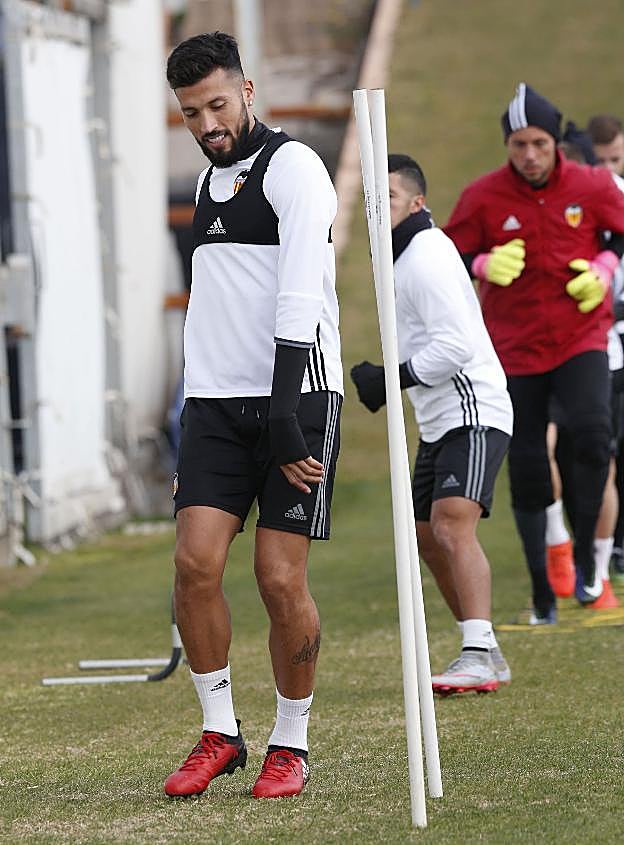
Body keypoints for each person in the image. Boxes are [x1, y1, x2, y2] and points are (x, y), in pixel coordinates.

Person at [163, 32, 343, 800]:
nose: (206, 124)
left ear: (247, 90)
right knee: (195, 564)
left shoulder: (293, 167)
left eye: (216, 104)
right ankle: (220, 732)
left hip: (296, 397)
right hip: (214, 404)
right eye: (190, 112)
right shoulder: (209, 182)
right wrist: (193, 403)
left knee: (278, 576)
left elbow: (300, 293)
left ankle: (291, 742)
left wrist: (285, 413)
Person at [445, 83, 624, 623]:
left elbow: (618, 232)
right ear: (507, 145)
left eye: (539, 143)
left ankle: (590, 563)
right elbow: (448, 252)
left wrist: (604, 268)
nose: (529, 155)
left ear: (555, 142)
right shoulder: (484, 195)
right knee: (526, 466)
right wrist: (481, 264)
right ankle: (544, 591)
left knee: (592, 437)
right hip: (515, 347)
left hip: (580, 337)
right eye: (519, 144)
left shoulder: (592, 185)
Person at [351, 155, 513, 695]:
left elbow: (455, 345)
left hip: (475, 408)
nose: (379, 209)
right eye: (373, 201)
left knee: (450, 525)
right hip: (439, 419)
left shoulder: (425, 255)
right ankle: (485, 648)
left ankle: (477, 653)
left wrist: (390, 378)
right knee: (426, 536)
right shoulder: (400, 258)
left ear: (417, 203)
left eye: (390, 198)